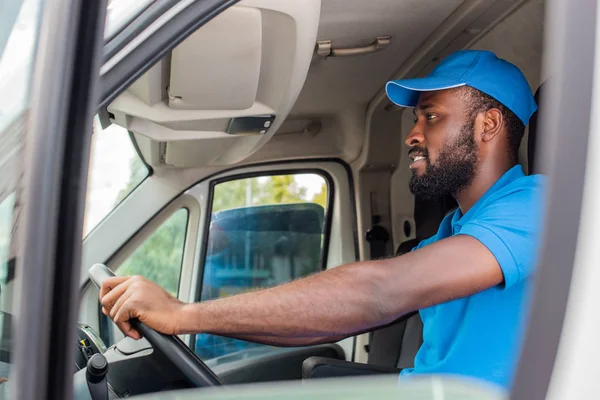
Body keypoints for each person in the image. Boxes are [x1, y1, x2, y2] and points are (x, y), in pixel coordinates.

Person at [100, 50, 545, 389]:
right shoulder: (451, 235)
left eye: (431, 117)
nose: (413, 133)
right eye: (416, 118)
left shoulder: (537, 207)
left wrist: (184, 314)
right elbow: (334, 314)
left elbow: (379, 292)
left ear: (488, 126)